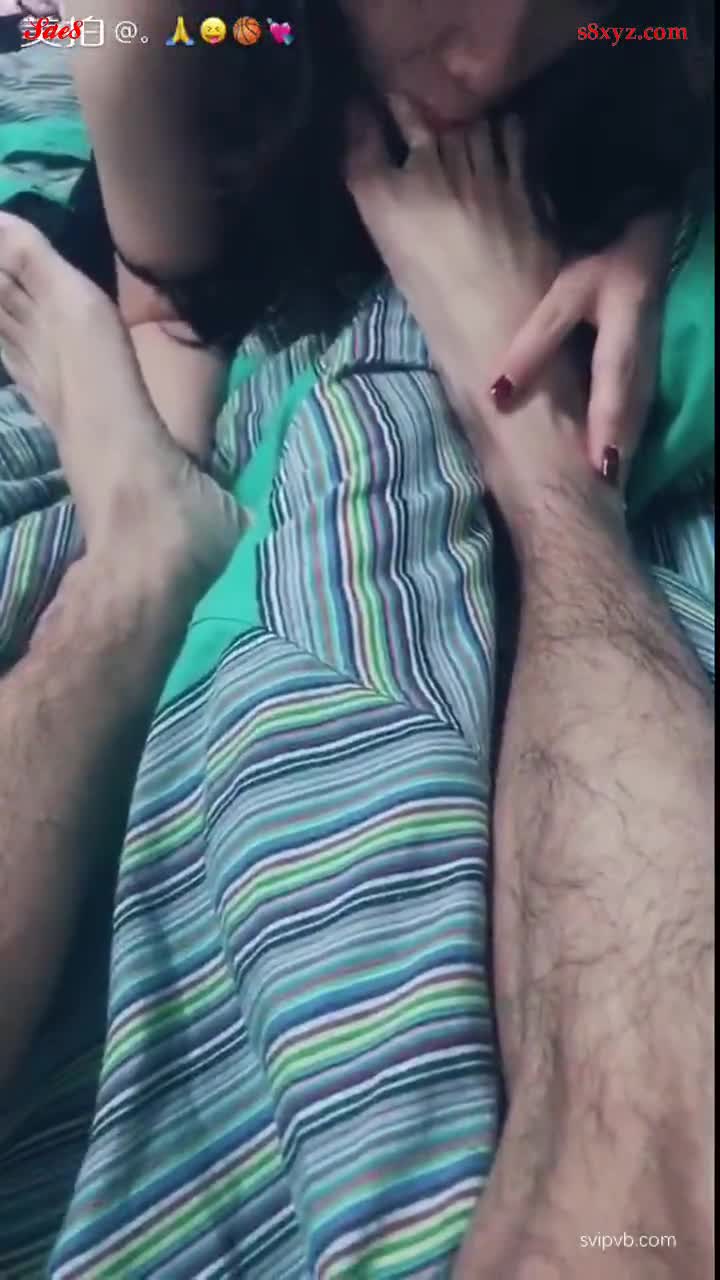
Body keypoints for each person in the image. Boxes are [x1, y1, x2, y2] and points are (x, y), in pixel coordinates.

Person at [0, 2, 713, 1277]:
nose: (485, 59)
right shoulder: (185, 32)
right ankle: (136, 544)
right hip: (219, 226)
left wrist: (649, 228)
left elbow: (658, 54)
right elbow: (173, 306)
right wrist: (153, 457)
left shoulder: (629, 31)